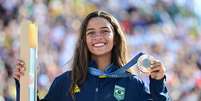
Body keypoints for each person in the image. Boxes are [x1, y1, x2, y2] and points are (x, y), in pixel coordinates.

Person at [14, 10, 169, 101]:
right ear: (84, 40)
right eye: (91, 33)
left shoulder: (131, 84)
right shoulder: (66, 82)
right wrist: (25, 82)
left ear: (115, 38)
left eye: (104, 31)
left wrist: (158, 83)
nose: (98, 37)